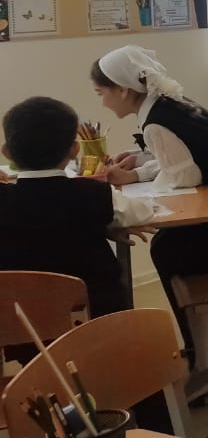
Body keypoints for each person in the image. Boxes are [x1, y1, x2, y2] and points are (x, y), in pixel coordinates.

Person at [90, 45, 208, 401]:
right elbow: (183, 160)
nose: (102, 102)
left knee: (169, 250)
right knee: (171, 247)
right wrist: (139, 166)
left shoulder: (156, 122)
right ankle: (204, 338)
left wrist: (134, 179)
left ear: (123, 89)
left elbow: (185, 176)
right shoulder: (169, 104)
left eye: (102, 93)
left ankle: (206, 360)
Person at [0, 96, 155, 318]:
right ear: (75, 149)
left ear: (7, 152)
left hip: (23, 324)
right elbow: (143, 212)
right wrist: (106, 225)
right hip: (97, 318)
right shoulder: (94, 193)